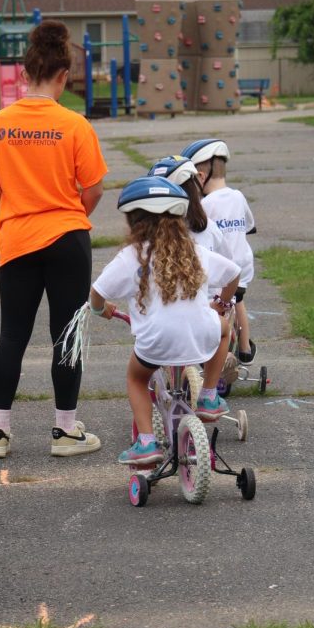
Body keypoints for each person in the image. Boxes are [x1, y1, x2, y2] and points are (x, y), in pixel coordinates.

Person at [0, 20, 108, 459]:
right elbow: (93, 189)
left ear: (24, 73)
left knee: (12, 335)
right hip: (67, 238)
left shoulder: (1, 122)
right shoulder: (74, 125)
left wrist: (21, 200)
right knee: (65, 336)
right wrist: (67, 214)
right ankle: (65, 431)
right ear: (63, 76)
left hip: (17, 239)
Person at [88, 177, 240, 465]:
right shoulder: (193, 251)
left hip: (157, 341)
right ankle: (208, 395)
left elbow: (97, 294)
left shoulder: (132, 256)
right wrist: (219, 305)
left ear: (134, 220)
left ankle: (146, 443)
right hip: (201, 334)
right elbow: (233, 274)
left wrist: (100, 310)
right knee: (223, 328)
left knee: (136, 378)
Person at [181, 138, 256, 363]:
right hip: (242, 266)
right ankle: (245, 349)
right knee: (238, 301)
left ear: (201, 175)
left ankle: (219, 354)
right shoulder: (238, 196)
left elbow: (201, 231)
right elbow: (249, 224)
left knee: (217, 308)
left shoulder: (205, 205)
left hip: (221, 269)